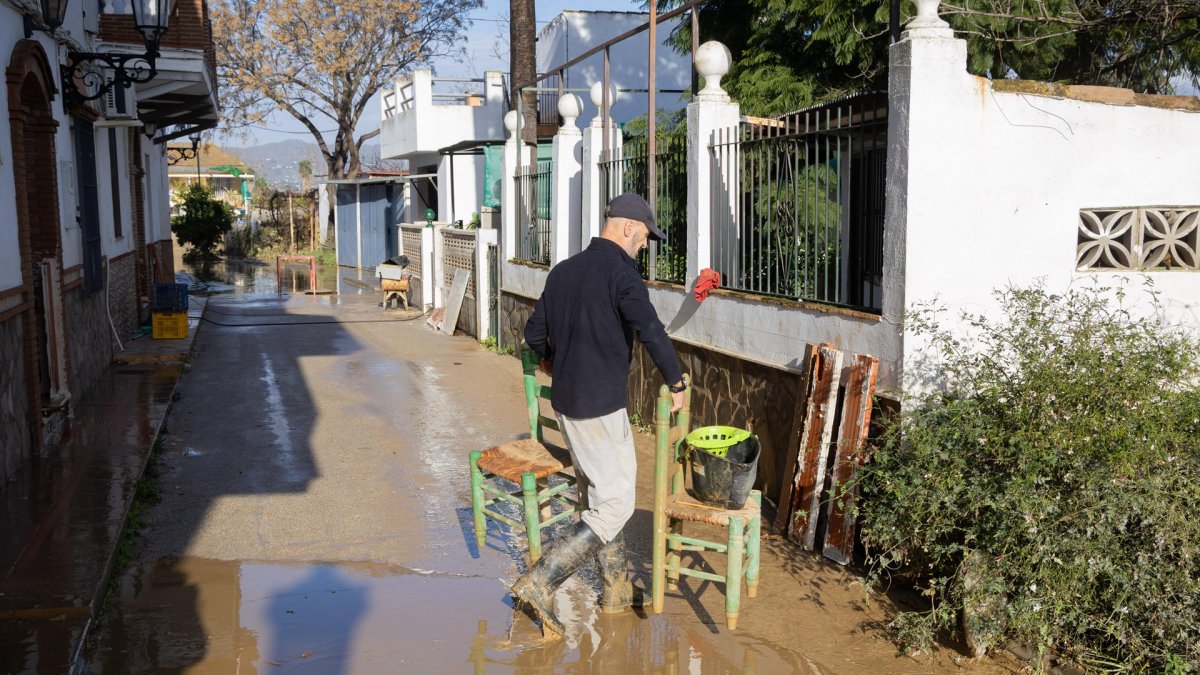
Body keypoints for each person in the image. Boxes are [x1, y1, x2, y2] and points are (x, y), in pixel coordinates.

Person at [515, 193, 688, 638]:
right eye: (646, 236)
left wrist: (552, 358)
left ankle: (615, 590)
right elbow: (651, 330)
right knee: (616, 504)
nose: (646, 245)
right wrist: (677, 382)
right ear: (628, 227)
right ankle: (541, 581)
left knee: (600, 495)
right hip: (600, 408)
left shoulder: (563, 271)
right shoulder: (622, 276)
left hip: (569, 405)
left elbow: (534, 333)